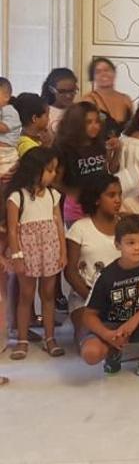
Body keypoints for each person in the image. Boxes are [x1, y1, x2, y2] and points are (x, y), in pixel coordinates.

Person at [79, 214, 139, 383]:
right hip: (112, 327)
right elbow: (88, 315)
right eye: (130, 242)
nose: (137, 248)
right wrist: (108, 335)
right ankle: (112, 353)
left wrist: (136, 320)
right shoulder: (106, 276)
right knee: (91, 353)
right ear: (118, 244)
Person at [6, 148, 65, 360]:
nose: (53, 174)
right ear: (34, 171)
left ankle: (50, 337)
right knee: (26, 296)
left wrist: (63, 251)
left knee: (48, 295)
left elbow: (59, 225)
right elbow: (13, 230)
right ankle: (22, 339)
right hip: (27, 252)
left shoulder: (53, 195)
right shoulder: (17, 197)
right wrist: (17, 257)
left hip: (50, 250)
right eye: (49, 170)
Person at [65, 174, 122, 342]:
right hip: (85, 296)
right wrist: (92, 299)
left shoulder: (126, 226)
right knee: (88, 341)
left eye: (120, 194)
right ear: (96, 199)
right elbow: (70, 272)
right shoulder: (79, 228)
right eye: (111, 195)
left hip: (120, 296)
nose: (118, 200)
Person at [55, 102, 119, 225]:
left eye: (96, 122)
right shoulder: (64, 148)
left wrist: (116, 152)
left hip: (99, 204)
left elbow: (109, 170)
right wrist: (73, 193)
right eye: (88, 122)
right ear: (77, 124)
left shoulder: (99, 144)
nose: (95, 126)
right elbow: (56, 181)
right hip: (77, 207)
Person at [81, 57, 132, 139]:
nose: (103, 74)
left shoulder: (126, 99)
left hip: (125, 149)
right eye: (98, 72)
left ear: (114, 73)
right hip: (99, 149)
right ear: (92, 77)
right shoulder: (88, 100)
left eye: (107, 70)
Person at [40, 67, 78, 143]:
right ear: (51, 90)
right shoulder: (42, 112)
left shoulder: (79, 111)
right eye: (62, 91)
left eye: (72, 91)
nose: (68, 96)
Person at [0, 78, 21, 177]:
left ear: (6, 97)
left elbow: (4, 128)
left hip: (6, 153)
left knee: (5, 175)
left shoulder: (9, 110)